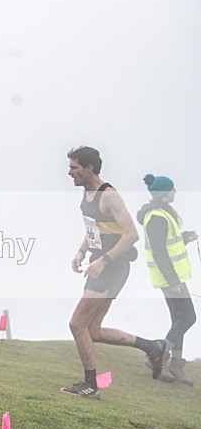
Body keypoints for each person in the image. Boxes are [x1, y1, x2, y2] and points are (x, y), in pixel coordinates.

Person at [62, 146, 166, 399]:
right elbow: (94, 230)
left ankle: (91, 386)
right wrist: (81, 251)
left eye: (74, 167)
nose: (69, 172)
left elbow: (131, 234)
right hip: (100, 264)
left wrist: (104, 260)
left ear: (89, 168)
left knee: (77, 324)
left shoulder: (108, 195)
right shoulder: (86, 194)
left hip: (113, 266)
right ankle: (152, 347)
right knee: (93, 331)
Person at [136, 174, 196, 386]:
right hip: (170, 278)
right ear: (164, 193)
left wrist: (185, 237)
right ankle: (158, 354)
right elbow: (160, 252)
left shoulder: (162, 214)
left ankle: (175, 366)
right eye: (172, 188)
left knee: (179, 320)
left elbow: (169, 245)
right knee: (189, 318)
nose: (175, 191)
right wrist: (172, 280)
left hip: (173, 277)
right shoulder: (157, 217)